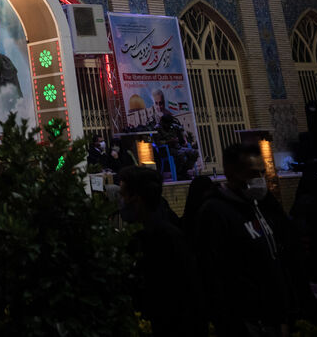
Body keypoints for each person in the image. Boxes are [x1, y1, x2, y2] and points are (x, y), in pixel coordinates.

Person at [195, 143, 299, 336]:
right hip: (247, 321)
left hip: (274, 316)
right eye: (252, 173)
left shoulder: (260, 205)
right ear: (231, 173)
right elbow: (215, 273)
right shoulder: (215, 213)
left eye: (262, 172)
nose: (259, 179)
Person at [117, 165, 205, 336]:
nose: (121, 201)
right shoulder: (142, 235)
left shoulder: (164, 239)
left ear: (137, 199)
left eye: (123, 195)